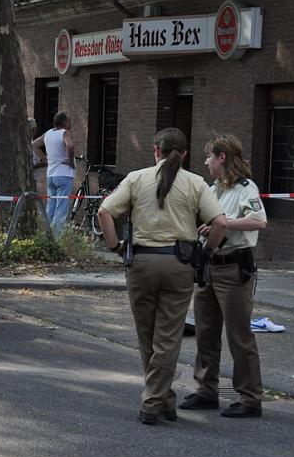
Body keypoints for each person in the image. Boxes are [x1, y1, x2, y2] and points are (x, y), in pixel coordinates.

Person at [98, 128, 226, 426]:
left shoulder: (136, 178)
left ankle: (159, 398)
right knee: (168, 337)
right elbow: (219, 222)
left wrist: (115, 246)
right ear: (184, 153)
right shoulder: (195, 182)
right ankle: (157, 400)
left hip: (141, 263)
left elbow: (105, 212)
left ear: (155, 150)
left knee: (147, 335)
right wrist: (206, 252)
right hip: (179, 264)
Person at [180, 134, 267, 418]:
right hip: (210, 264)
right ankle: (206, 390)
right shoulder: (213, 188)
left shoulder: (246, 188)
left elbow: (259, 220)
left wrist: (224, 223)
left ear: (222, 157)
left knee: (238, 335)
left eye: (209, 156)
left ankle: (250, 397)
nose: (205, 161)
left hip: (233, 268)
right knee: (205, 332)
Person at [32, 112, 74, 235]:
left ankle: (46, 236)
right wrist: (70, 161)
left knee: (50, 207)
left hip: (51, 175)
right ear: (64, 122)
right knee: (61, 209)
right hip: (64, 175)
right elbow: (70, 146)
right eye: (69, 120)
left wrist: (45, 158)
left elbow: (34, 145)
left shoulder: (48, 133)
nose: (71, 123)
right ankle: (57, 239)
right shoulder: (65, 133)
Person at [27, 118, 47, 196]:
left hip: (34, 178)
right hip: (31, 178)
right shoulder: (28, 144)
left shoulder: (31, 142)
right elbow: (32, 166)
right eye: (35, 129)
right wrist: (46, 162)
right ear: (33, 129)